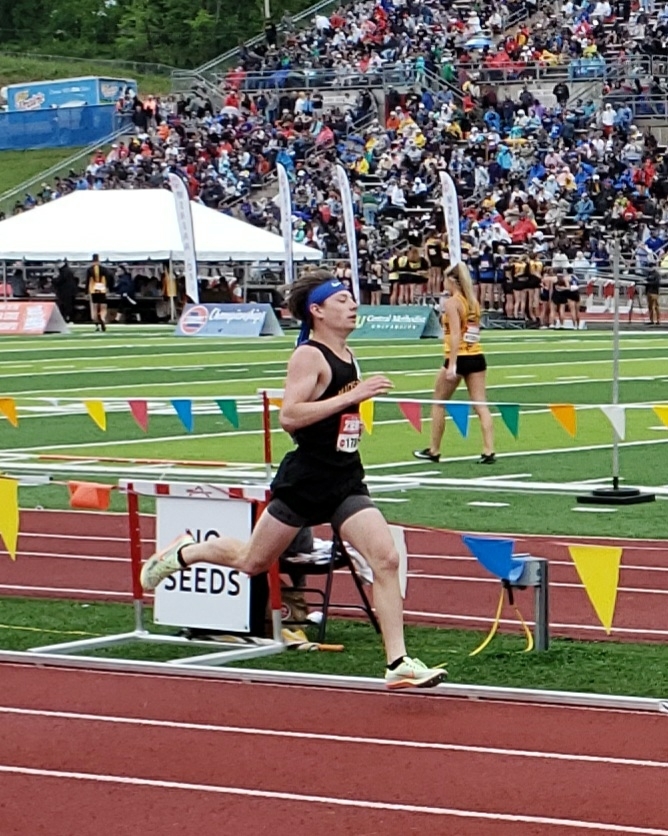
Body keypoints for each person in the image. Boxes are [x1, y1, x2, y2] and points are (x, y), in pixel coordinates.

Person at [141, 269, 446, 690]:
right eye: (341, 300)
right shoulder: (309, 355)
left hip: (345, 477)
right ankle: (185, 553)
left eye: (351, 298)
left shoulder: (347, 353)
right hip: (306, 479)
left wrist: (348, 406)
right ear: (317, 311)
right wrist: (353, 396)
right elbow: (290, 416)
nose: (352, 305)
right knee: (252, 562)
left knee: (386, 558)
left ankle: (399, 663)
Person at [413, 262, 495, 464]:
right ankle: (488, 449)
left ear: (453, 281)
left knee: (438, 402)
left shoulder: (452, 303)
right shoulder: (473, 302)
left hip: (457, 356)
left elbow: (456, 334)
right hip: (476, 355)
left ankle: (434, 449)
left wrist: (452, 364)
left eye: (445, 279)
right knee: (480, 404)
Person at [85, 253, 112, 332]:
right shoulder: (104, 269)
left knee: (94, 308)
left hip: (93, 290)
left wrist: (86, 292)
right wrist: (109, 288)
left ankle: (97, 324)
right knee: (103, 306)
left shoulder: (90, 270)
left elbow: (87, 281)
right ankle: (102, 318)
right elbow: (110, 279)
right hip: (102, 289)